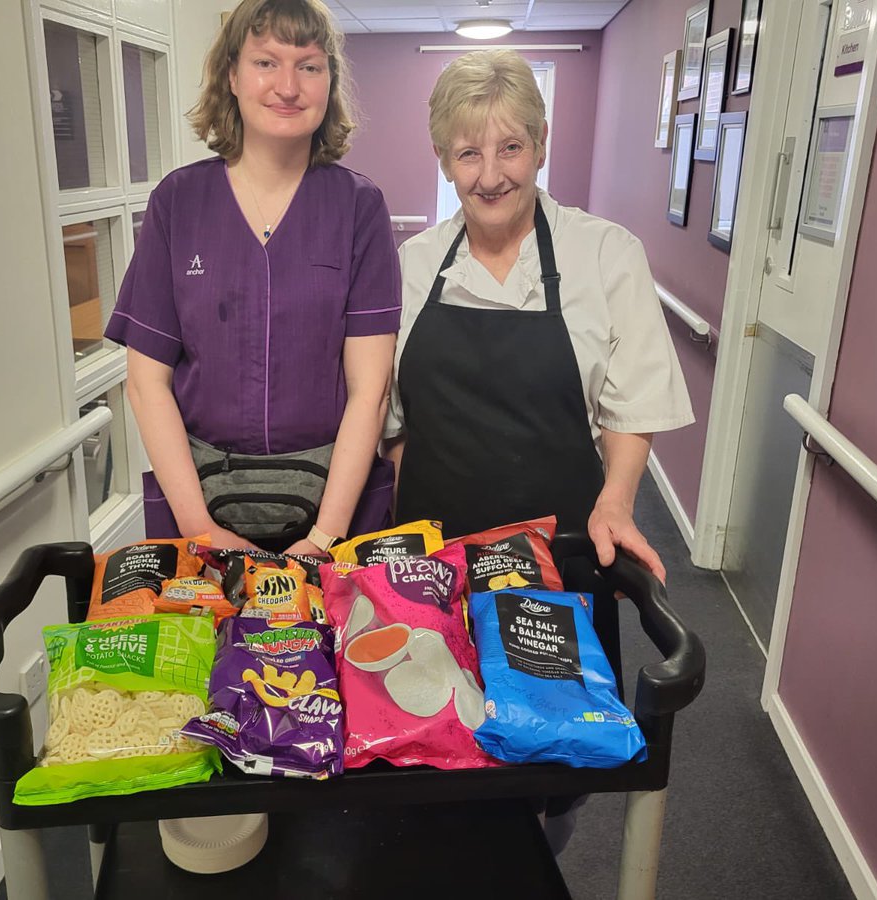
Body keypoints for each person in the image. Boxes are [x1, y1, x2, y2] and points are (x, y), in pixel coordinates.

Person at [386, 47, 694, 855]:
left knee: (551, 766)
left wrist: (617, 500)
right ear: (444, 159)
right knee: (429, 732)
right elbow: (388, 418)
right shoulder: (417, 265)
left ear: (543, 143)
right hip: (435, 558)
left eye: (510, 147)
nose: (490, 175)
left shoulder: (605, 255)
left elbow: (633, 403)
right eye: (468, 152)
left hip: (554, 563)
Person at [105, 0, 400, 555]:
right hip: (199, 499)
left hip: (331, 503)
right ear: (232, 76)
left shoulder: (359, 206)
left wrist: (322, 538)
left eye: (309, 66)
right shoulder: (179, 202)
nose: (288, 86)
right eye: (266, 62)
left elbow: (370, 391)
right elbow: (146, 384)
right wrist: (203, 531)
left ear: (329, 82)